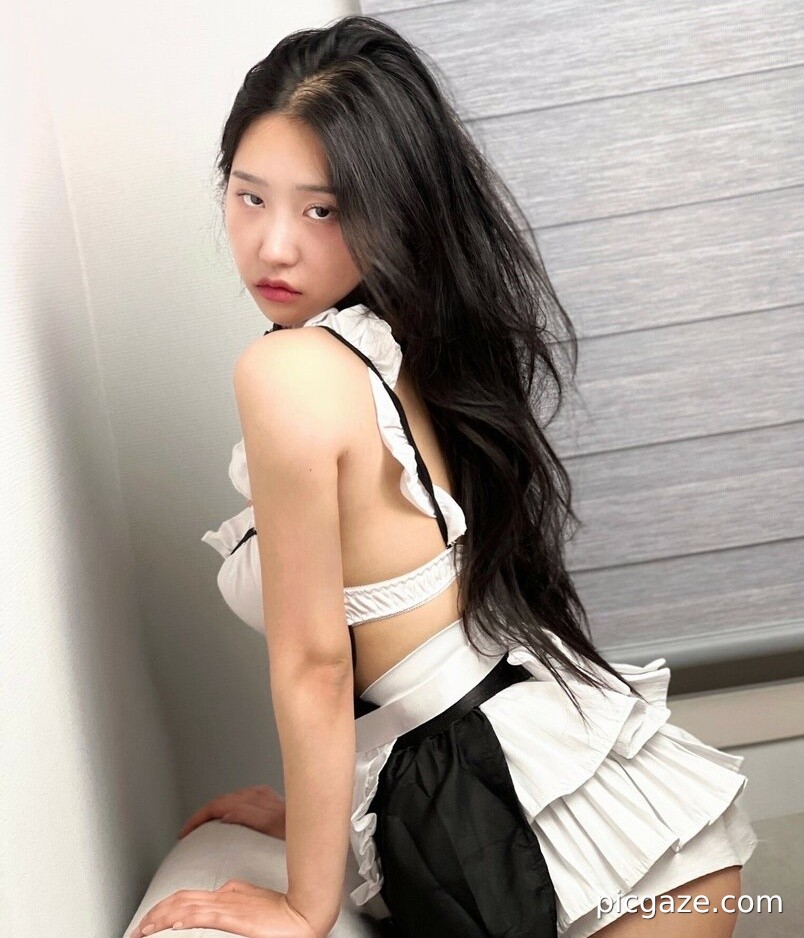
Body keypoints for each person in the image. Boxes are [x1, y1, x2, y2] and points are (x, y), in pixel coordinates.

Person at [133, 14, 758, 938]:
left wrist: (306, 903)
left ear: (392, 212)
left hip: (538, 834)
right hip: (592, 818)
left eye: (322, 209)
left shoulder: (291, 369)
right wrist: (323, 828)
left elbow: (317, 665)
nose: (273, 245)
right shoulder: (401, 344)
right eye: (249, 196)